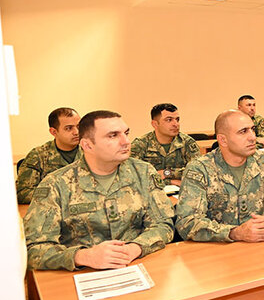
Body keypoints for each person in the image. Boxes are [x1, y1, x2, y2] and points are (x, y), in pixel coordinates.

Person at [24, 110, 174, 270]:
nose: (126, 142)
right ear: (87, 145)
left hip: (136, 265)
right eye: (113, 135)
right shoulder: (56, 184)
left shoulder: (143, 172)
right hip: (80, 275)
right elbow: (35, 248)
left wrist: (134, 248)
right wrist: (83, 256)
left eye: (126, 133)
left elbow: (163, 224)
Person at [175, 110, 264, 242]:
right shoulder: (200, 170)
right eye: (243, 131)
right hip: (217, 251)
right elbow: (187, 222)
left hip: (261, 245)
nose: (252, 137)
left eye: (252, 129)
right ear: (223, 140)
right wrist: (234, 233)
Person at [16, 107, 81, 204]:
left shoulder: (91, 152)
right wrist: (58, 194)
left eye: (79, 126)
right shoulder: (38, 156)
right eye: (69, 128)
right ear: (54, 132)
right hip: (52, 213)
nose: (76, 132)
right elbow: (23, 193)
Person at [130, 103, 201, 185]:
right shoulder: (141, 145)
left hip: (181, 194)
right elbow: (133, 176)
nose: (175, 124)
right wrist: (170, 181)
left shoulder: (187, 143)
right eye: (169, 120)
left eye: (177, 119)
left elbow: (198, 172)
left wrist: (167, 173)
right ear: (155, 124)